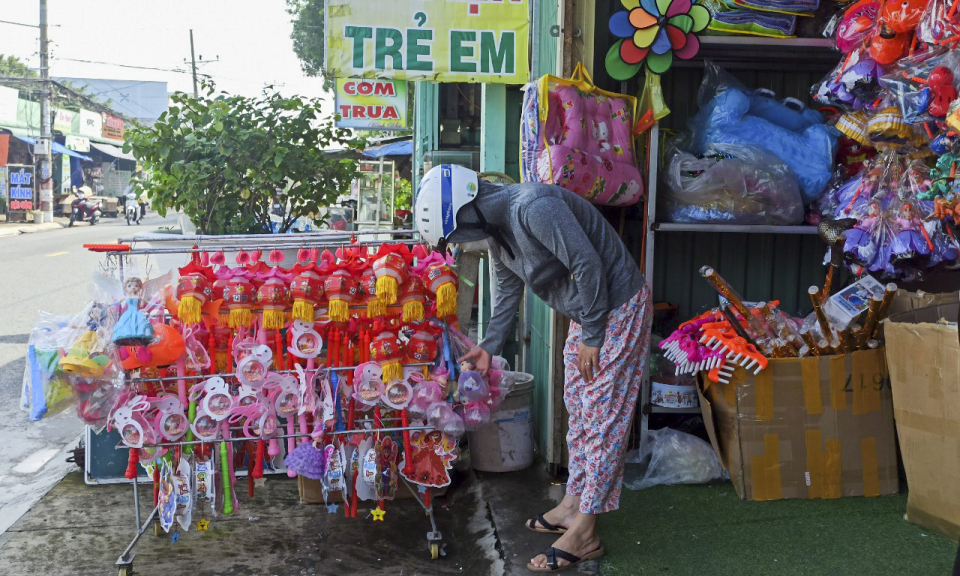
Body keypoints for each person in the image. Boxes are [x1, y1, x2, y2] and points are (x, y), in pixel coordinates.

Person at [414, 165, 651, 572]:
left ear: (469, 212)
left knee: (602, 417)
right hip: (589, 314)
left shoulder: (533, 207)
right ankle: (572, 505)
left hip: (616, 308)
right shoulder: (498, 234)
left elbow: (588, 265)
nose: (459, 243)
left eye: (455, 234)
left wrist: (593, 335)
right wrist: (488, 347)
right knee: (578, 408)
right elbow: (508, 290)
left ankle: (587, 533)